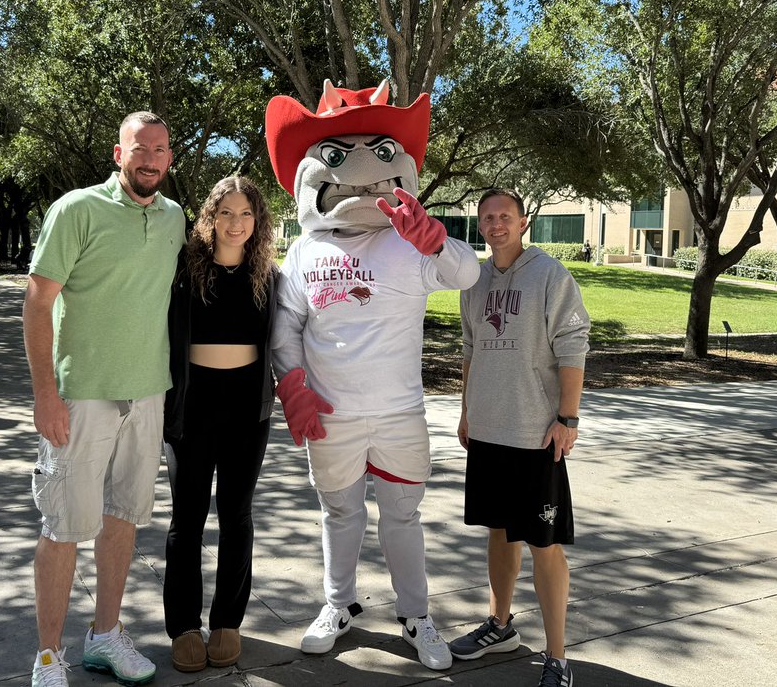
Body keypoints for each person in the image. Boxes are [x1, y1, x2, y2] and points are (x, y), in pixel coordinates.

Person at [266, 80, 479, 672]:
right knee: (339, 514)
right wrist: (293, 386)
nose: (362, 170)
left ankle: (416, 616)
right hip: (331, 413)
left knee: (403, 517)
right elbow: (285, 329)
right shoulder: (305, 252)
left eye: (381, 153)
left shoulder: (410, 243)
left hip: (399, 412)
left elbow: (468, 276)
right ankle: (338, 605)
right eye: (337, 155)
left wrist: (437, 241)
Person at [24, 111, 185, 687]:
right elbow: (38, 303)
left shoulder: (174, 218)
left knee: (123, 520)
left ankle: (106, 637)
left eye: (160, 150)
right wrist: (46, 394)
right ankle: (48, 657)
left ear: (170, 158)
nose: (150, 159)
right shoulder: (76, 210)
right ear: (119, 154)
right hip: (81, 396)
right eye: (139, 149)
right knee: (65, 525)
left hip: (147, 393)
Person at [450, 188, 590, 687]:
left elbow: (573, 346)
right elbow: (469, 348)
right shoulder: (473, 280)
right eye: (488, 218)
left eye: (504, 216)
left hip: (536, 434)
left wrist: (567, 420)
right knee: (498, 533)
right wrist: (466, 412)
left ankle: (557, 657)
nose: (496, 225)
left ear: (523, 221)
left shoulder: (550, 275)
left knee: (543, 544)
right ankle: (500, 624)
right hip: (487, 430)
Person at [163, 176, 278, 673]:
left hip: (247, 408)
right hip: (193, 404)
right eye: (226, 212)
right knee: (187, 519)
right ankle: (184, 626)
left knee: (237, 516)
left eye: (246, 213)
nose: (236, 223)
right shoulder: (185, 271)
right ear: (210, 217)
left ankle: (228, 620)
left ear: (258, 221)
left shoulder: (269, 275)